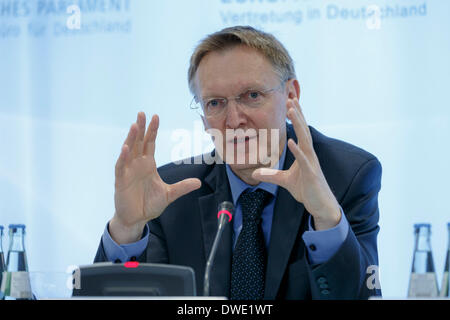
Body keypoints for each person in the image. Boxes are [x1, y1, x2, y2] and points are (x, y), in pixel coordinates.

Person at [94, 26, 382, 300]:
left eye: (252, 96)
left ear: (291, 95)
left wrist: (327, 218)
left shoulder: (346, 176)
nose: (233, 121)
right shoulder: (170, 192)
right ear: (204, 117)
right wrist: (127, 228)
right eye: (215, 103)